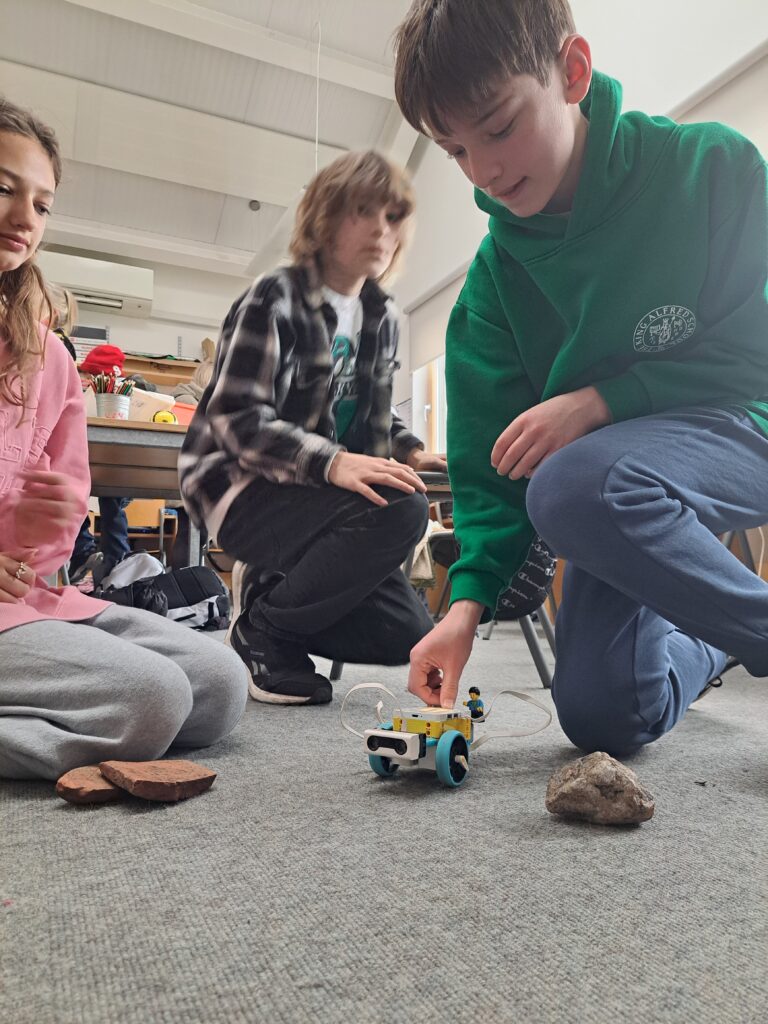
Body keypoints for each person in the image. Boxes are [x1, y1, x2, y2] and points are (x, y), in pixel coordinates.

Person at [393, 0, 768, 756]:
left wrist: (603, 402)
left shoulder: (712, 167)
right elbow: (488, 466)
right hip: (622, 483)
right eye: (455, 151)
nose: (484, 170)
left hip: (747, 426)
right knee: (602, 714)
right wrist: (464, 609)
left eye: (498, 128)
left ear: (572, 71)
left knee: (570, 483)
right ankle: (712, 644)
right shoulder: (492, 288)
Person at [0, 97, 247, 780]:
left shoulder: (47, 360)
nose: (26, 220)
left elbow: (49, 543)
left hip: (29, 604)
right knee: (152, 701)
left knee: (221, 687)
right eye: (4, 189)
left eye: (43, 205)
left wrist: (38, 527)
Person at [179, 150, 446, 706]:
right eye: (362, 211)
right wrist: (333, 461)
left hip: (316, 490)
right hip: (240, 486)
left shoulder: (384, 316)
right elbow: (237, 419)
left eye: (393, 216)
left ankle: (268, 600)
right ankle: (266, 634)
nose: (380, 229)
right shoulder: (273, 297)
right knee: (403, 509)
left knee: (408, 634)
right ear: (324, 218)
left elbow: (369, 412)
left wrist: (411, 450)